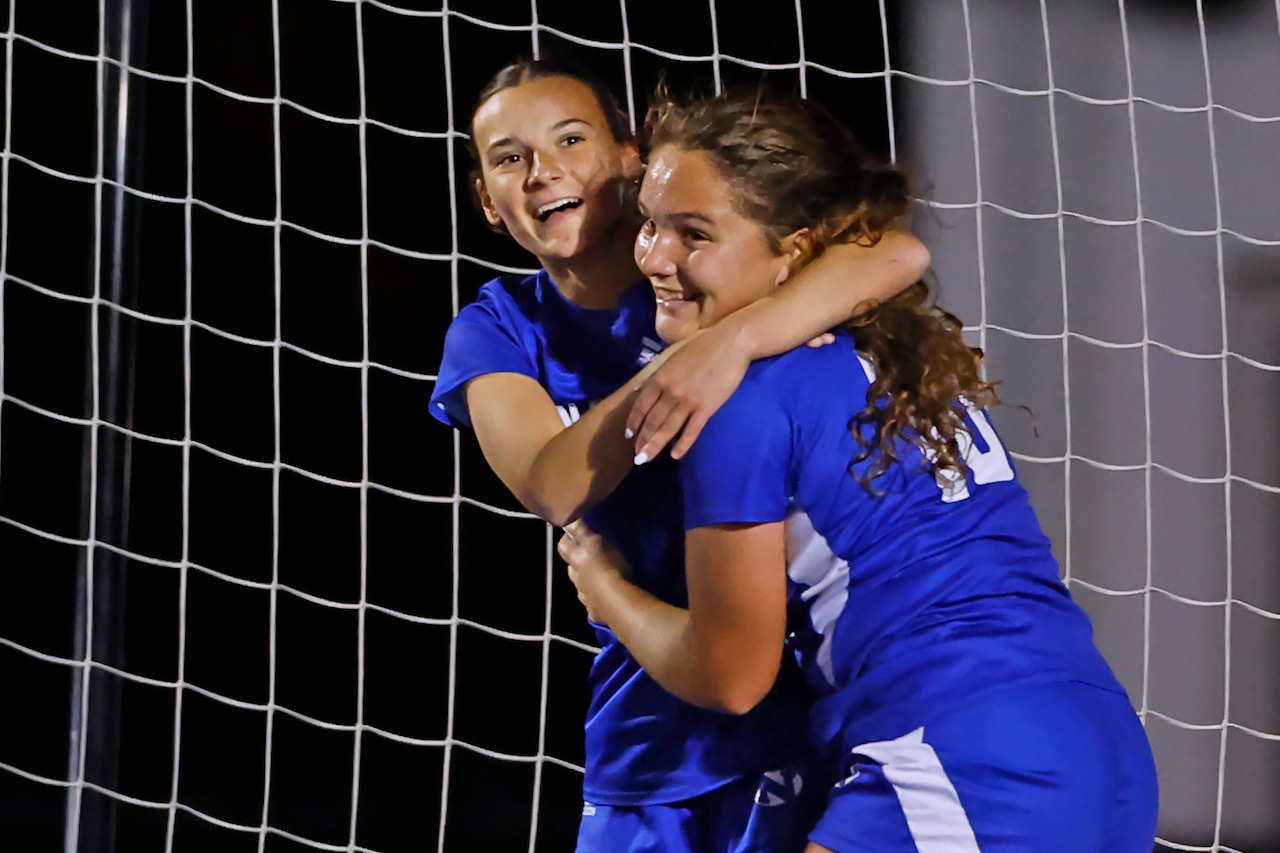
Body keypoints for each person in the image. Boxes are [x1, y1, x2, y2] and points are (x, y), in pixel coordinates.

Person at [559, 88, 1159, 852]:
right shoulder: (890, 357)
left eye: (694, 233)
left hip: (960, 749)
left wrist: (606, 589)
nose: (654, 256)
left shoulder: (738, 403)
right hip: (1100, 743)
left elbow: (730, 673)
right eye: (648, 224)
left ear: (795, 249)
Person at [429, 58, 931, 853]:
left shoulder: (703, 267)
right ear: (487, 202)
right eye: (509, 158)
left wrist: (736, 335)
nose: (542, 172)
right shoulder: (496, 330)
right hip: (647, 724)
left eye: (569, 138)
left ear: (632, 156)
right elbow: (549, 482)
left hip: (786, 710)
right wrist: (697, 359)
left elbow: (894, 253)